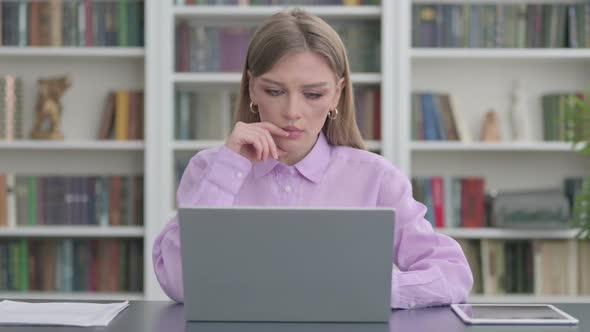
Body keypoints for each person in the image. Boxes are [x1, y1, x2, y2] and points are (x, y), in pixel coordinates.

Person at [153, 8, 473, 309]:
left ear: (337, 93)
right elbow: (180, 283)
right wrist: (229, 168)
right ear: (252, 88)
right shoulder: (209, 169)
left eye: (313, 94)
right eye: (275, 91)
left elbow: (453, 274)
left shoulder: (376, 178)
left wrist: (375, 289)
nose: (292, 113)